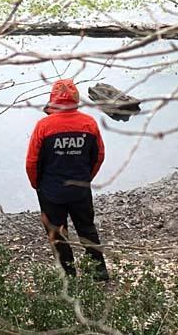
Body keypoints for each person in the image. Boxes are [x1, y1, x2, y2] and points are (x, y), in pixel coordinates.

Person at [25, 79, 109, 281]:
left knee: (57, 234)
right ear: (75, 99)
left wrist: (37, 185)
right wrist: (86, 178)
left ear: (53, 99)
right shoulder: (88, 123)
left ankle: (68, 274)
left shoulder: (43, 126)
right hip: (80, 189)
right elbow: (98, 156)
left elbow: (32, 162)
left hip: (51, 191)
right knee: (87, 228)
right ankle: (99, 271)